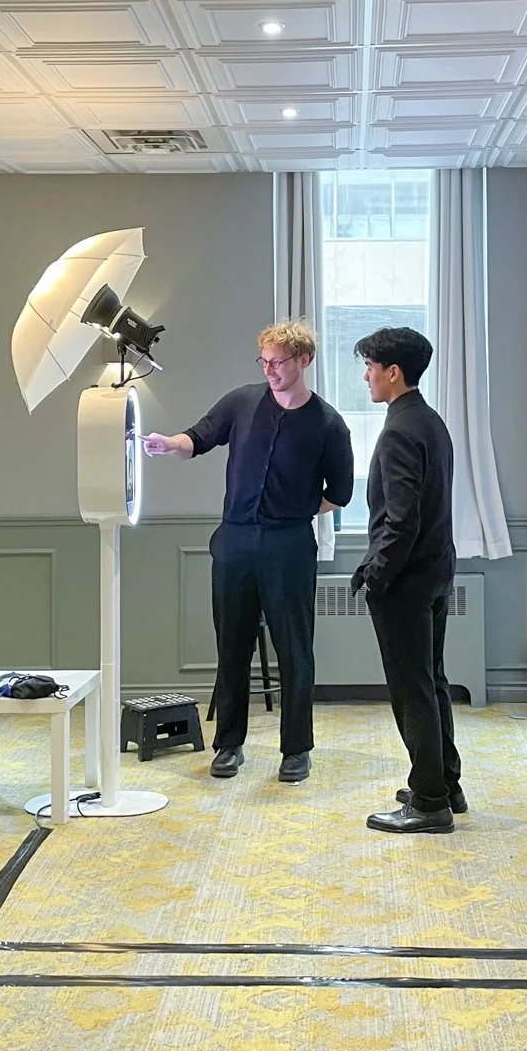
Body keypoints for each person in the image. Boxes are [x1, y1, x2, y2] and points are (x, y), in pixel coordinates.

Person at [143, 319, 353, 782]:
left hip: (289, 544)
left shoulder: (329, 424)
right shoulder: (240, 402)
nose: (270, 369)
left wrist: (296, 509)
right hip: (235, 541)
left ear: (304, 360)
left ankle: (296, 749)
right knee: (231, 645)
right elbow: (197, 438)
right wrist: (166, 444)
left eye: (279, 362)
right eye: (265, 361)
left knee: (294, 649)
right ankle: (229, 744)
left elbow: (340, 493)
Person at [350, 327, 462, 835]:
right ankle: (445, 783)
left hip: (405, 581)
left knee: (412, 690)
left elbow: (402, 520)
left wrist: (376, 576)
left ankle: (430, 803)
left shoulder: (399, 430)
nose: (366, 377)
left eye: (370, 367)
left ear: (393, 372)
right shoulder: (431, 422)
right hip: (435, 572)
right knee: (431, 681)